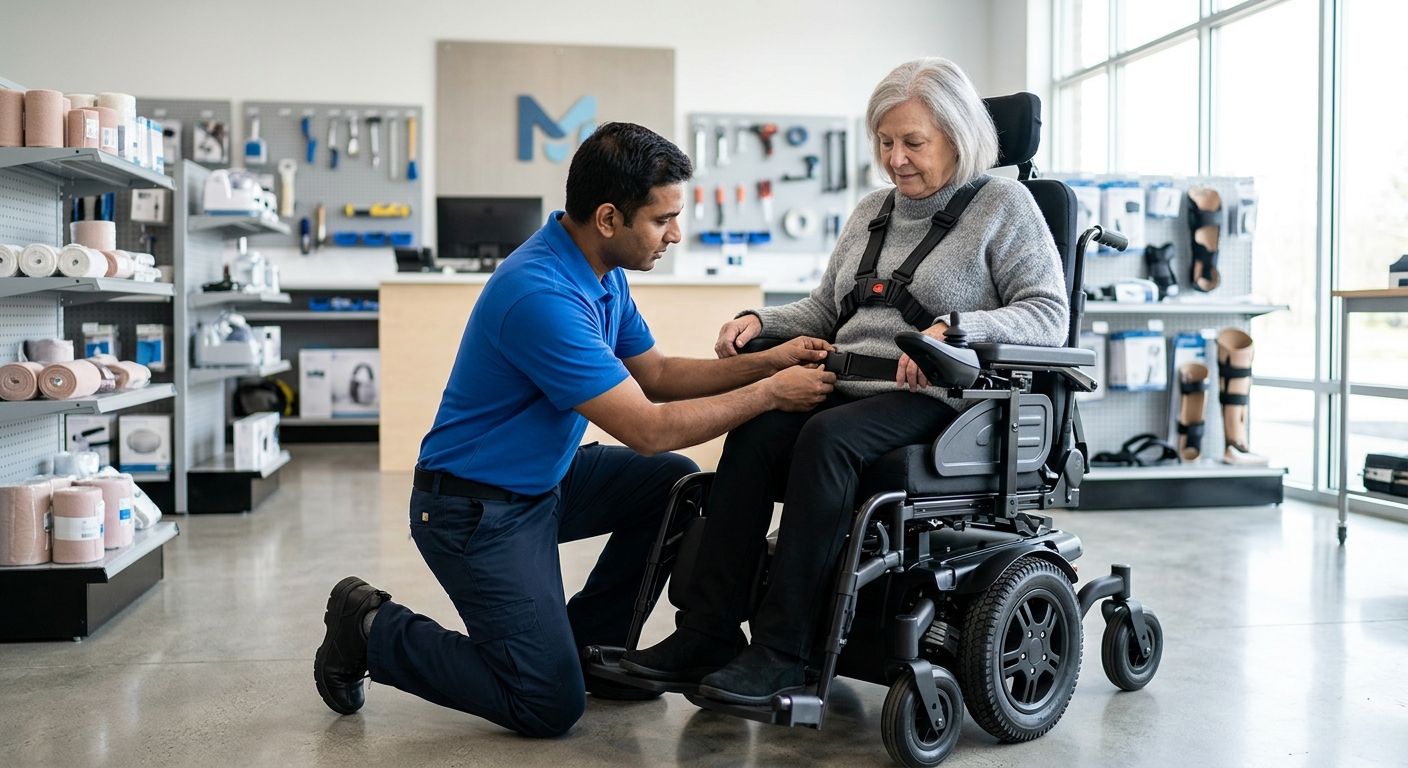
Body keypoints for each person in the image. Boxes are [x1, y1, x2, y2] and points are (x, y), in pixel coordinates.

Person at [312, 122, 837, 737]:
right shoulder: (541, 294)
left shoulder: (601, 269)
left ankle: (591, 647)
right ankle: (370, 630)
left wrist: (770, 358)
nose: (675, 233)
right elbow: (648, 427)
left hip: (545, 482)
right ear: (610, 217)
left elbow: (660, 375)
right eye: (662, 219)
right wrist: (769, 392)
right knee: (546, 705)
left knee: (669, 483)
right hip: (475, 510)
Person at [620, 58, 1070, 705]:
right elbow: (829, 311)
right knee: (755, 426)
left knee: (827, 440)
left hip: (943, 400)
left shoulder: (1004, 206)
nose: (896, 159)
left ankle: (786, 652)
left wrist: (958, 328)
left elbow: (1048, 315)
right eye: (885, 142)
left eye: (913, 142)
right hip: (848, 387)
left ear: (958, 135)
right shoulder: (873, 211)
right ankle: (709, 634)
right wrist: (759, 320)